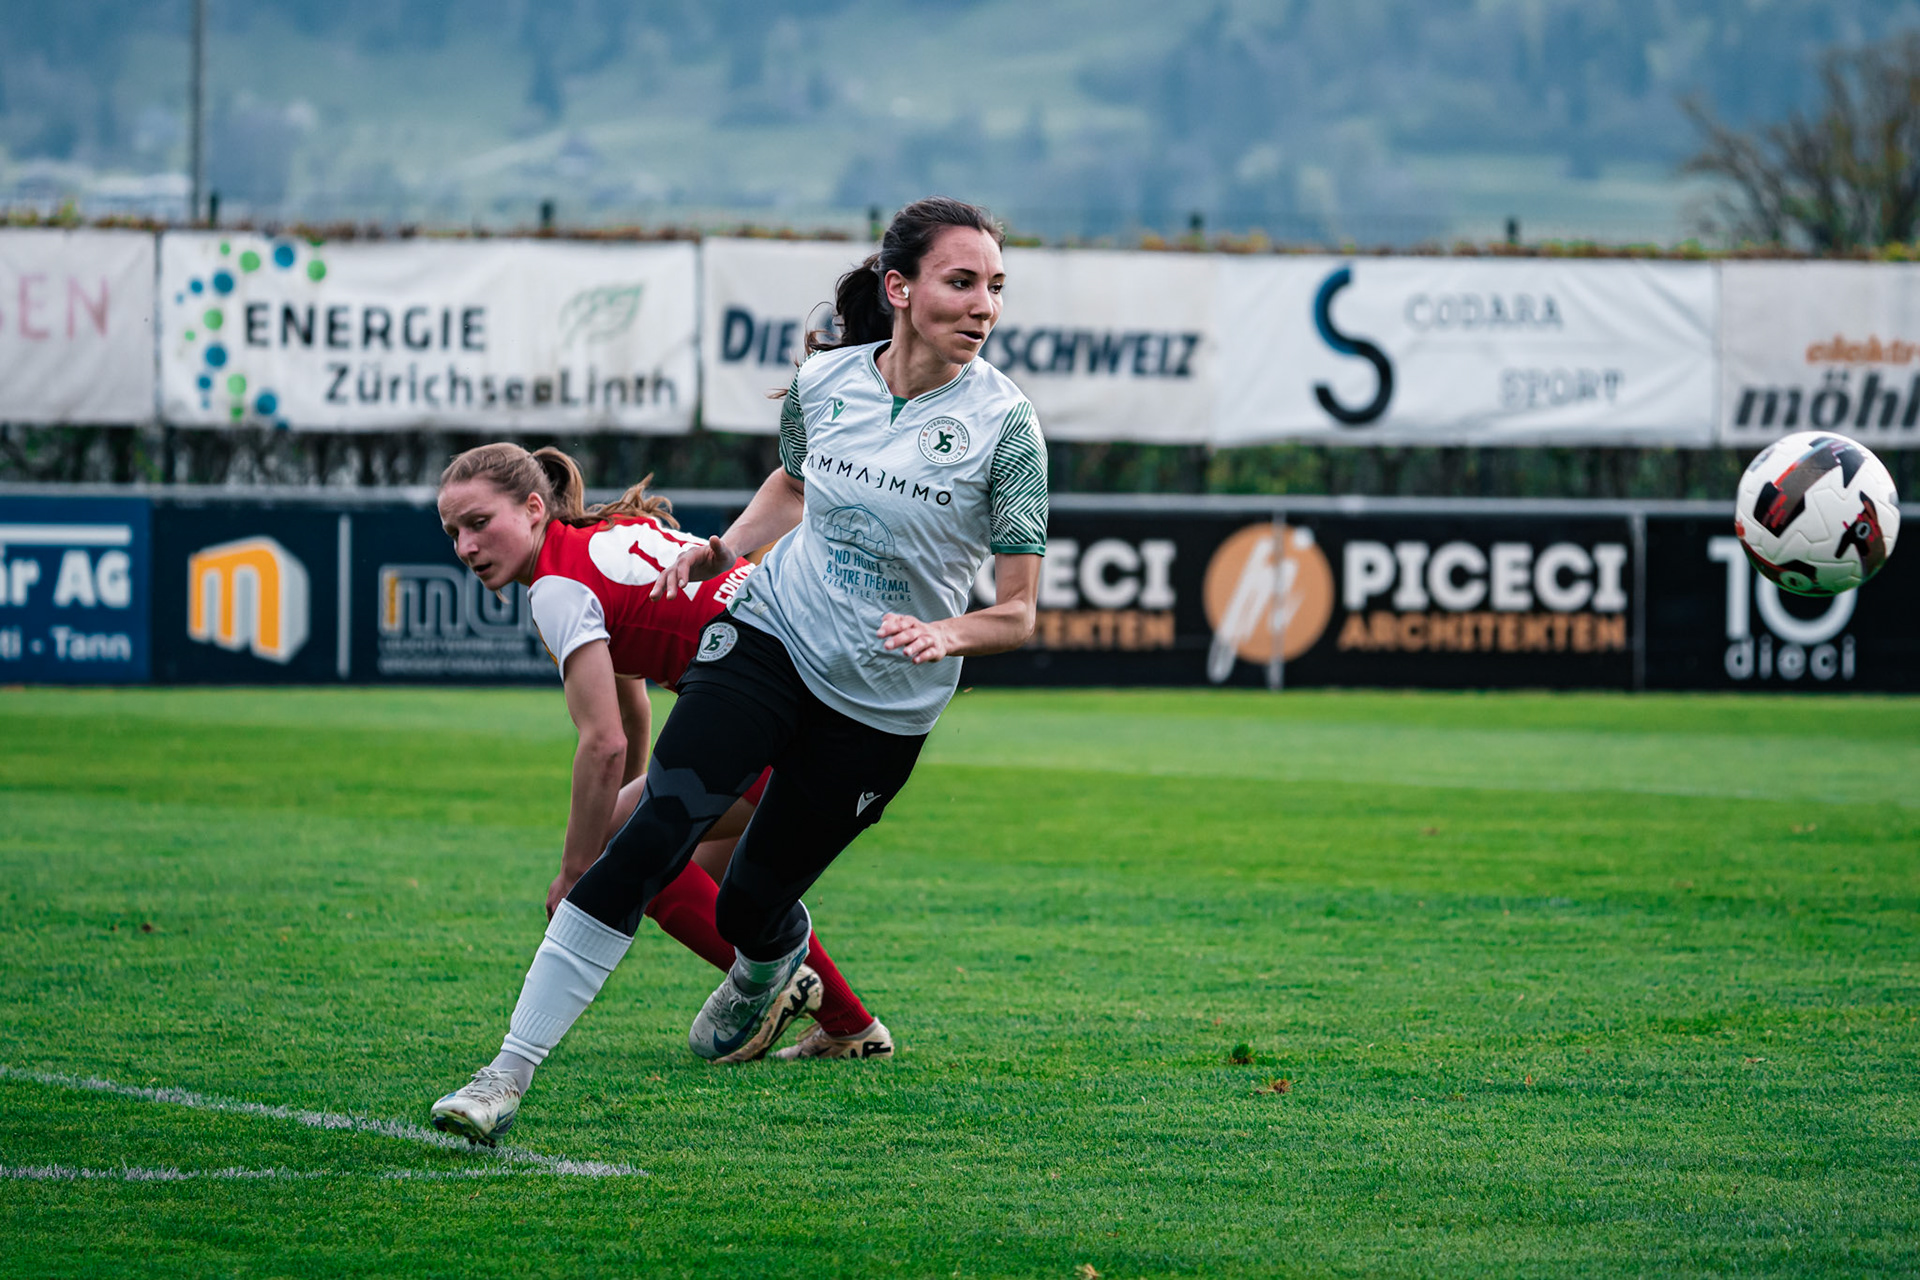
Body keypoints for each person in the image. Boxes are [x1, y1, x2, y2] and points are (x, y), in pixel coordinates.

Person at [431, 195, 1047, 1146]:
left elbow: (1017, 611)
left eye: (995, 287)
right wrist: (725, 549)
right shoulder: (827, 382)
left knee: (757, 901)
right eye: (962, 282)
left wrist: (949, 634)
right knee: (647, 835)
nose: (985, 307)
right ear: (899, 289)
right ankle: (503, 1076)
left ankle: (770, 964)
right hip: (769, 636)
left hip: (882, 710)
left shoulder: (1008, 430)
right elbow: (794, 485)